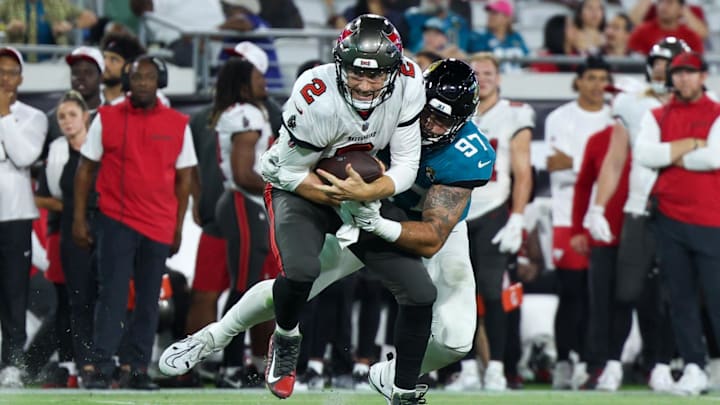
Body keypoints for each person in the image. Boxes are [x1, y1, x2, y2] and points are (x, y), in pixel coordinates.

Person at [159, 58, 494, 405]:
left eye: (442, 120)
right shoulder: (389, 105)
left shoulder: (466, 153)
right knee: (294, 286)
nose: (429, 124)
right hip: (360, 208)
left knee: (456, 339)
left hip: (422, 225)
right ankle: (212, 337)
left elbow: (432, 235)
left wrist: (381, 223)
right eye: (426, 112)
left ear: (462, 121)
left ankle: (390, 376)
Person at [72, 55, 197, 389]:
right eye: (137, 77)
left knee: (148, 300)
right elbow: (85, 171)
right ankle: (101, 366)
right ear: (128, 82)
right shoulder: (106, 118)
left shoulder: (177, 122)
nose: (143, 82)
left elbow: (184, 180)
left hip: (158, 223)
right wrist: (79, 218)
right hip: (115, 219)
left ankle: (137, 368)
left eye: (149, 77)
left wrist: (178, 227)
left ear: (161, 81)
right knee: (111, 296)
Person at [582, 36, 690, 392]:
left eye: (670, 61)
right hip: (638, 207)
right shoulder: (630, 102)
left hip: (682, 209)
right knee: (625, 291)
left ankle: (661, 363)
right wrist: (598, 205)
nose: (662, 67)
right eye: (658, 60)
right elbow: (615, 160)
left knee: (670, 294)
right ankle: (613, 363)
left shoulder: (700, 105)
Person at [633, 50, 720, 396]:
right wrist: (691, 146)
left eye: (690, 72)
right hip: (668, 218)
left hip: (711, 219)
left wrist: (669, 154)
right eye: (678, 73)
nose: (683, 78)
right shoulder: (656, 113)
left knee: (717, 298)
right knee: (679, 299)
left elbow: (715, 157)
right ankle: (694, 366)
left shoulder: (716, 111)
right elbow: (644, 154)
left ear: (702, 76)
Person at [456, 52, 534, 392]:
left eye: (488, 72)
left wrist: (517, 216)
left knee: (492, 291)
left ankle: (498, 367)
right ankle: (469, 366)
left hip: (494, 211)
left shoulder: (514, 113)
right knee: (459, 292)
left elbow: (523, 171)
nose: (483, 78)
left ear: (499, 77)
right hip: (455, 213)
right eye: (477, 73)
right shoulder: (456, 110)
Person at [545, 55, 613, 390]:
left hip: (603, 215)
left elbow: (576, 165)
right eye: (591, 78)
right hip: (567, 217)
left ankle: (592, 363)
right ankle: (563, 362)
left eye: (603, 78)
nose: (598, 84)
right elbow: (557, 165)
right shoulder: (560, 117)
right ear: (579, 81)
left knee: (599, 294)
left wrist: (581, 165)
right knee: (570, 292)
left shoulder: (616, 119)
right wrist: (599, 168)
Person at [0, 46, 48, 388]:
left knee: (14, 293)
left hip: (15, 215)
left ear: (21, 77)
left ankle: (12, 365)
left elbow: (23, 155)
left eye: (11, 72)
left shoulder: (34, 117)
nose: (4, 78)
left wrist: (3, 114)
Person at [472, 0, 529, 73]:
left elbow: (527, 59)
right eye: (489, 13)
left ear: (507, 17)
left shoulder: (517, 37)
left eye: (494, 13)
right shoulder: (480, 37)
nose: (490, 16)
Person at [628, 0, 703, 54]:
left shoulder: (691, 37)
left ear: (681, 9)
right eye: (660, 2)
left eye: (669, 2)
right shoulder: (642, 32)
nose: (663, 6)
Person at [99, 33, 146, 106]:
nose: (105, 63)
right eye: (104, 57)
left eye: (114, 59)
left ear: (129, 67)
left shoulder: (142, 102)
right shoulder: (89, 96)